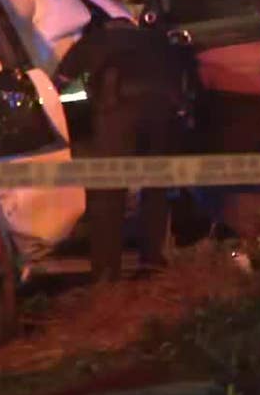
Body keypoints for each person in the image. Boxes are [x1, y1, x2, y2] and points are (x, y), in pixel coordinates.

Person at [56, 19, 199, 282]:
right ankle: (153, 264)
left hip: (117, 110)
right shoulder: (157, 40)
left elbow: (65, 86)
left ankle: (106, 274)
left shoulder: (92, 42)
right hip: (163, 111)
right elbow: (186, 78)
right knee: (156, 190)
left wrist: (80, 126)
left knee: (108, 194)